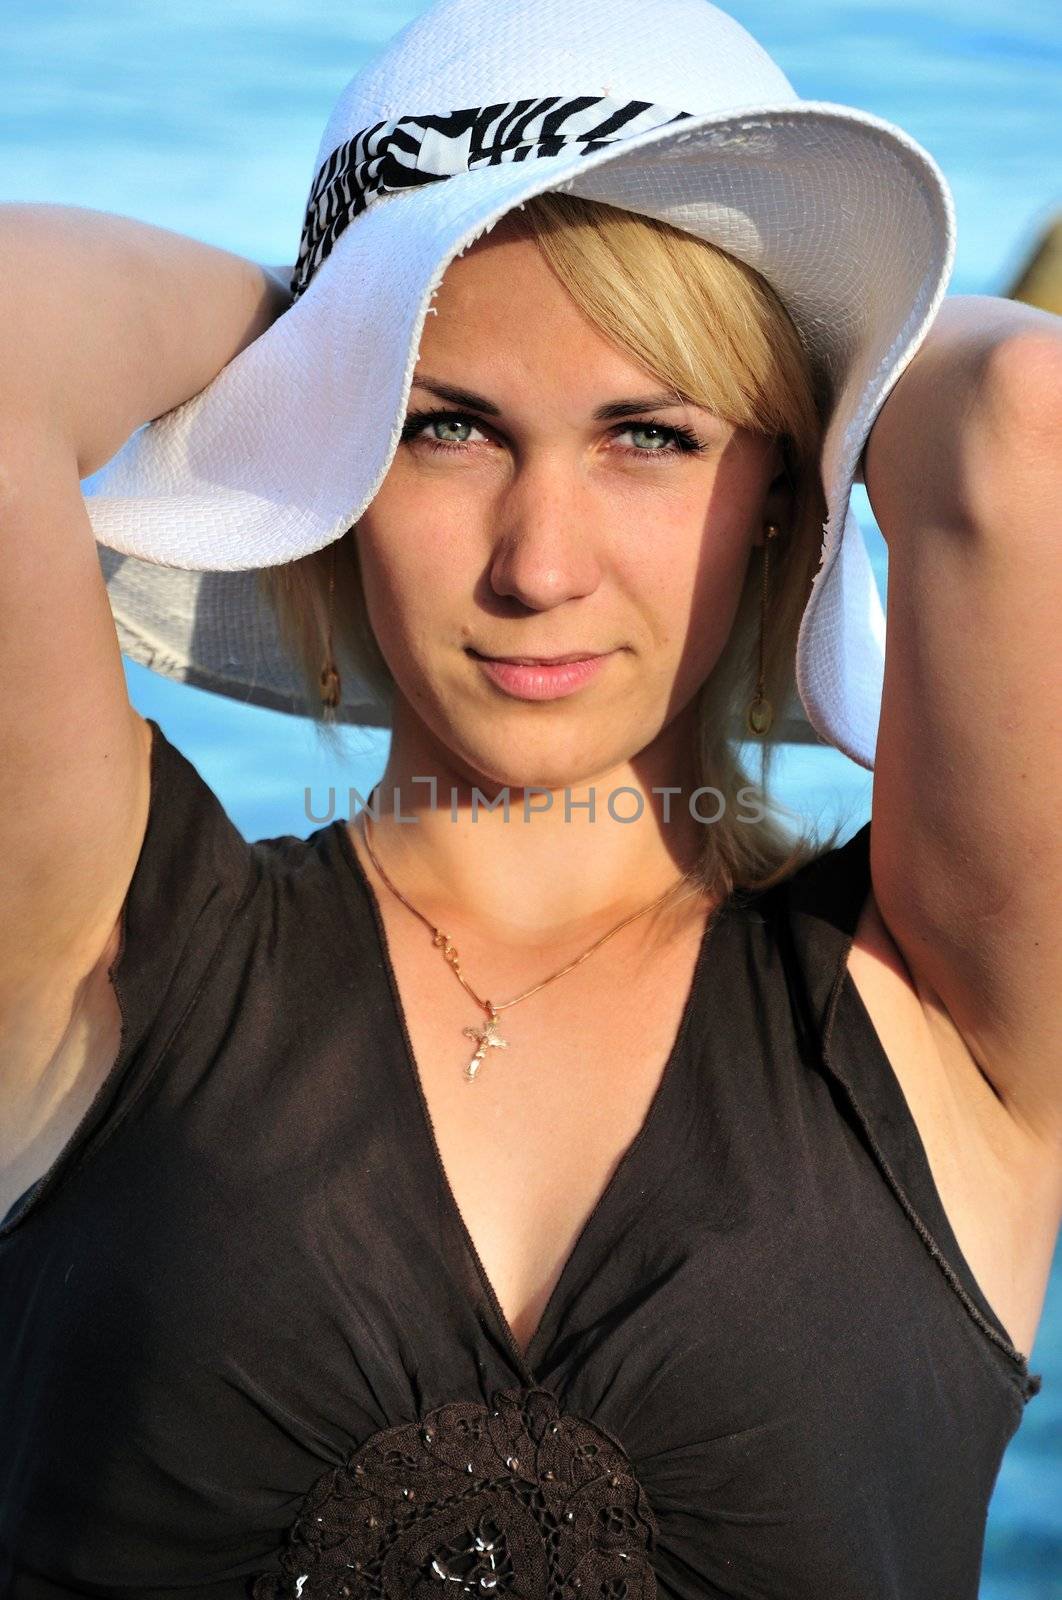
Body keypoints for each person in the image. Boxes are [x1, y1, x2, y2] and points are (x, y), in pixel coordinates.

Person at [1, 1, 1059, 1595]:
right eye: (443, 428)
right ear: (340, 469)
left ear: (786, 486)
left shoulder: (946, 1012)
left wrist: (828, 347)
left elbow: (1015, 432)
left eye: (650, 434)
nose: (538, 565)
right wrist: (323, 325)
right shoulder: (96, 950)